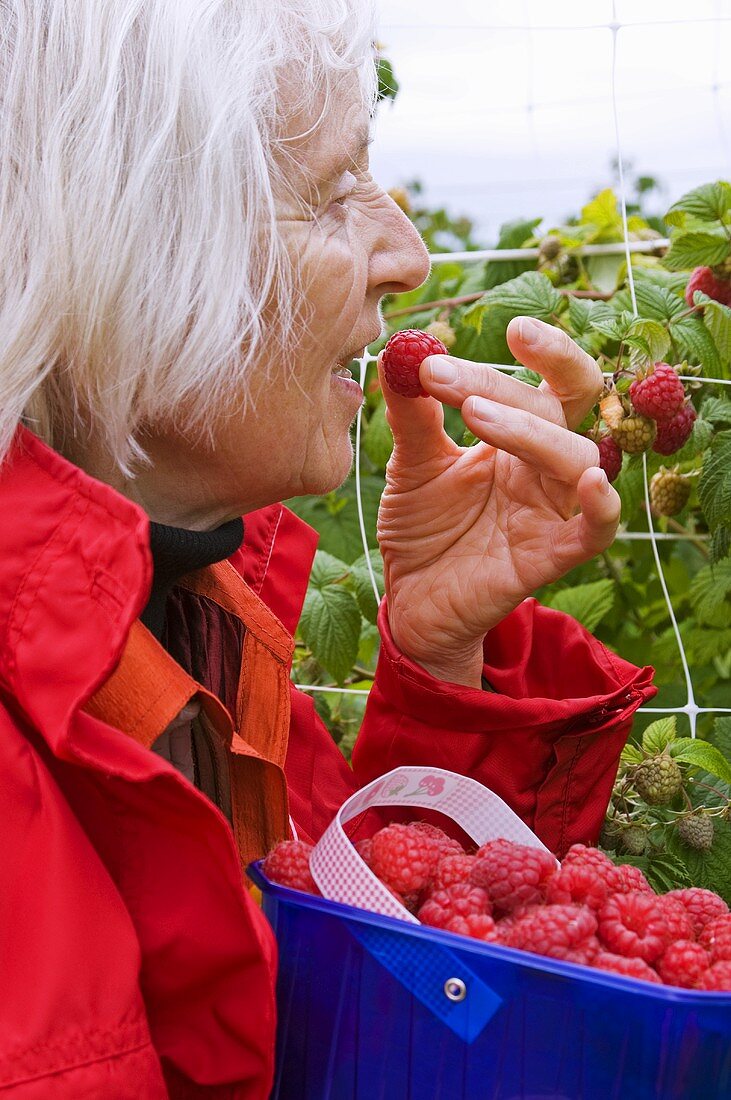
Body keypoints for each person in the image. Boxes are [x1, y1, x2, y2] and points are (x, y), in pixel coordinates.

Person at [0, 2, 654, 1096]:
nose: (403, 253)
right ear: (123, 241)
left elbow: (337, 1034)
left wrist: (445, 650)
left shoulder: (190, 627)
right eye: (331, 192)